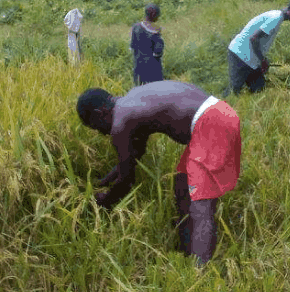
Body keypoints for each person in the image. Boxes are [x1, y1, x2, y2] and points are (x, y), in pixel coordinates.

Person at [76, 81, 241, 265]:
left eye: (96, 128)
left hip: (210, 124)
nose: (102, 134)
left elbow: (126, 180)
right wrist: (102, 181)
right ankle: (187, 252)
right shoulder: (131, 102)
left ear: (100, 114)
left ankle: (200, 275)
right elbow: (133, 155)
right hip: (217, 114)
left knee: (201, 205)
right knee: (182, 186)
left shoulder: (120, 124)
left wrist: (103, 202)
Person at [226, 0, 290, 95]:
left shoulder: (276, 16)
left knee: (258, 89)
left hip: (251, 58)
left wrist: (261, 60)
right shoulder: (275, 18)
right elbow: (253, 39)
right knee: (234, 90)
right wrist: (263, 60)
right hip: (240, 54)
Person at [130, 4, 164, 85]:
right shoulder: (156, 32)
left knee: (139, 88)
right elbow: (158, 52)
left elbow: (133, 46)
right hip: (153, 70)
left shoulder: (136, 27)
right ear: (154, 15)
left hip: (138, 66)